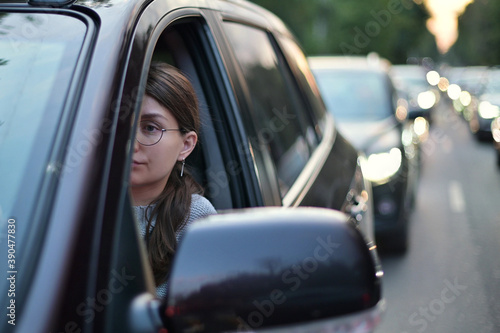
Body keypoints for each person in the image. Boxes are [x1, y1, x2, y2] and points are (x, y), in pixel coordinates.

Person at [129, 62, 216, 298]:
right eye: (122, 125)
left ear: (186, 145)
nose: (130, 143)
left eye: (150, 127)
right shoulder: (75, 202)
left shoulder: (196, 219)